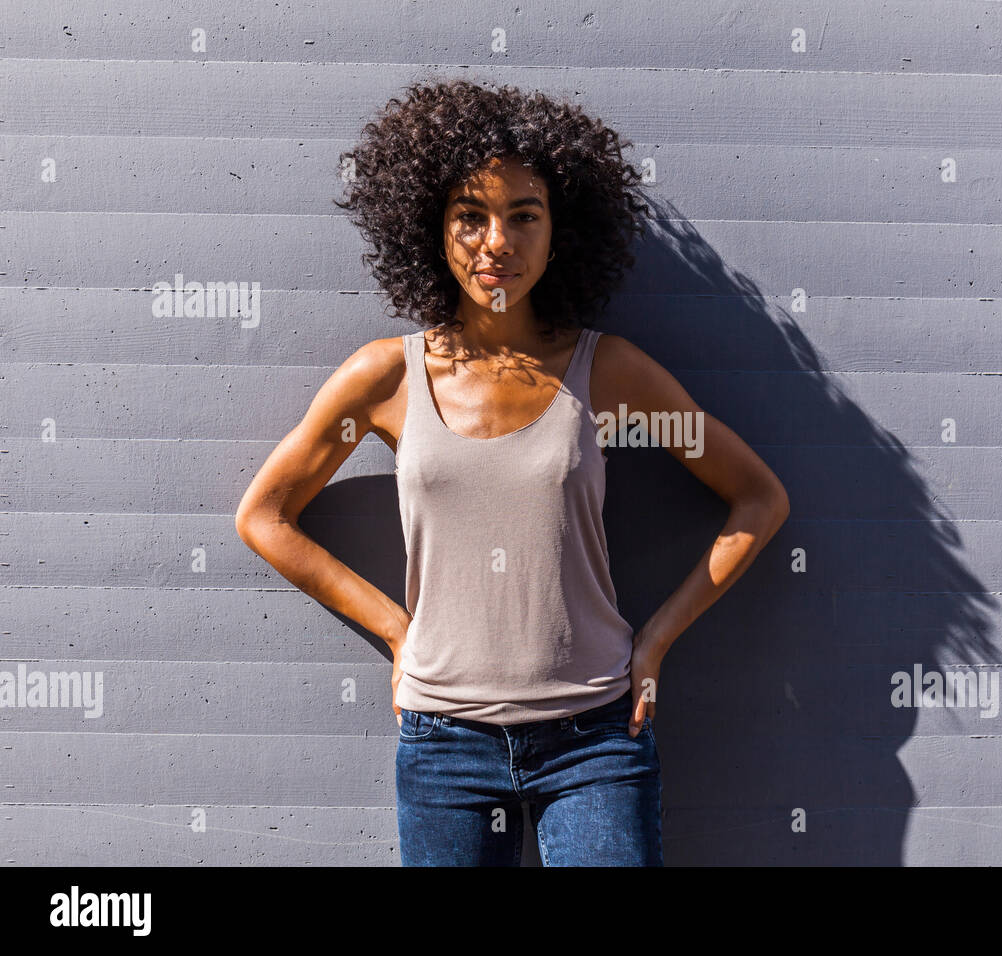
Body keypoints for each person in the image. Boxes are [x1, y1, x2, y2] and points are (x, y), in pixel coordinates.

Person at [234, 78, 789, 866]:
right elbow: (264, 516)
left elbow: (757, 498)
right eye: (471, 216)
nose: (497, 241)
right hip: (443, 745)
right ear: (434, 230)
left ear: (559, 233)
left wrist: (656, 641)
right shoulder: (384, 380)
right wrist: (396, 632)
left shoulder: (611, 374)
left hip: (595, 738)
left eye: (524, 216)